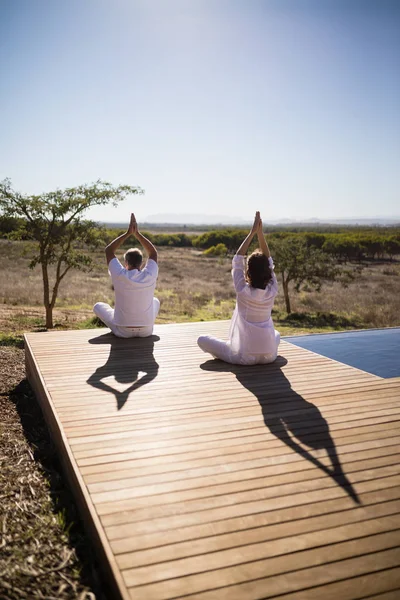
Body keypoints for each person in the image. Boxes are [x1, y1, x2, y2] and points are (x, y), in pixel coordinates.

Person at [197, 211, 280, 365]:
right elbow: (269, 261)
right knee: (277, 334)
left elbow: (237, 259)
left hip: (244, 357)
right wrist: (260, 234)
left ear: (248, 271)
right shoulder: (272, 289)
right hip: (270, 355)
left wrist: (252, 233)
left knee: (201, 340)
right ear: (268, 272)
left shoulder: (243, 290)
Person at [93, 213, 159, 338]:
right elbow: (153, 253)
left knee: (98, 306)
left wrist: (128, 233)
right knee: (155, 300)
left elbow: (109, 250)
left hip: (122, 331)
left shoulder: (119, 274)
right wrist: (137, 234)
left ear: (126, 263)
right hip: (147, 331)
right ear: (141, 263)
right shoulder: (149, 274)